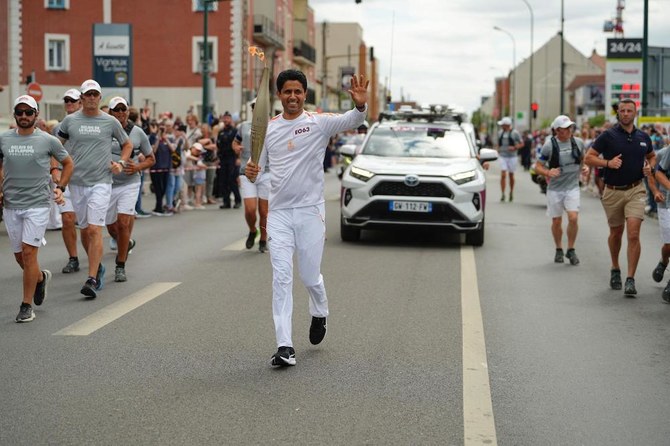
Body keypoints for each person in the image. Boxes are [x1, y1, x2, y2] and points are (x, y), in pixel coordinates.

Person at [245, 69, 369, 367]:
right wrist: (250, 171)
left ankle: (320, 311)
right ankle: (284, 345)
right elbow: (255, 167)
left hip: (310, 212)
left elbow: (353, 120)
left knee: (310, 276)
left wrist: (361, 106)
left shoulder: (319, 123)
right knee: (282, 278)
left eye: (297, 91)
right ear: (279, 95)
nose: (292, 96)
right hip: (279, 215)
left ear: (304, 94)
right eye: (287, 91)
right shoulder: (267, 129)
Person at [0, 95, 74, 322]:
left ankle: (26, 305)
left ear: (36, 114)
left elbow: (68, 163)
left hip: (38, 204)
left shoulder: (47, 140)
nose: (24, 116)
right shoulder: (4, 139)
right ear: (15, 115)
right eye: (20, 112)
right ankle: (40, 278)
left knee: (29, 252)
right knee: (20, 257)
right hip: (11, 205)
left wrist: (60, 187)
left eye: (28, 112)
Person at [57, 79, 133, 299]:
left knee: (93, 229)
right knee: (84, 231)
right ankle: (96, 265)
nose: (91, 98)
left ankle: (91, 278)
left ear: (100, 98)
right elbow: (56, 145)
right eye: (87, 95)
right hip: (77, 183)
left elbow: (126, 144)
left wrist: (121, 162)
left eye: (94, 94)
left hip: (101, 182)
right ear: (81, 98)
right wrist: (55, 169)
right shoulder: (70, 121)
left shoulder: (110, 122)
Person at [584, 98, 661, 296]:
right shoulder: (607, 136)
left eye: (629, 110)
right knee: (616, 233)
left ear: (635, 113)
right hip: (612, 191)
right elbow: (589, 157)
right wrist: (608, 163)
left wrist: (650, 167)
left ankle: (630, 278)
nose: (626, 113)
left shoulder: (644, 136)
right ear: (618, 113)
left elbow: (652, 156)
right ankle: (615, 267)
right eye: (622, 111)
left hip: (636, 189)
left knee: (633, 233)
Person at [106, 97, 156, 282]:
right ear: (110, 112)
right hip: (107, 183)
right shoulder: (104, 130)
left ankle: (120, 266)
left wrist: (137, 167)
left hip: (129, 182)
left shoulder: (137, 132)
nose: (120, 113)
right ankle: (125, 243)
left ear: (128, 111)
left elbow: (151, 158)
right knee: (111, 228)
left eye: (123, 109)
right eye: (116, 110)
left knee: (123, 223)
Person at [534, 115, 586, 265]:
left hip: (572, 187)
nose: (568, 130)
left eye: (569, 127)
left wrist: (585, 168)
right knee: (556, 221)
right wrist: (548, 173)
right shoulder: (549, 145)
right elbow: (537, 166)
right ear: (557, 130)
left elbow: (583, 159)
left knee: (573, 218)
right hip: (555, 189)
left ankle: (571, 249)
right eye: (564, 128)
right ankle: (558, 248)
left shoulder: (578, 142)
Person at [52, 88, 83, 274]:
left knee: (89, 225)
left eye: (73, 100)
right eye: (67, 101)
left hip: (87, 178)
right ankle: (73, 258)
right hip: (66, 178)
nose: (69, 103)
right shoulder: (58, 128)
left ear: (81, 102)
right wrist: (54, 170)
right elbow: (52, 152)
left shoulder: (89, 124)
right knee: (67, 218)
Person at [236, 101, 270, 252]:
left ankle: (263, 239)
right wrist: (236, 147)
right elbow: (235, 143)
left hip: (267, 172)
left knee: (264, 212)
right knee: (250, 210)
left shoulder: (274, 126)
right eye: (255, 109)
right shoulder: (243, 126)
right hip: (246, 172)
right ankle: (252, 230)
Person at [652, 145, 670, 302]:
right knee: (669, 245)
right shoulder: (664, 153)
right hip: (666, 203)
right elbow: (654, 173)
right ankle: (664, 261)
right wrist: (655, 191)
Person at [216, 112, 241, 209]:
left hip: (232, 158)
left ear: (231, 119)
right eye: (224, 118)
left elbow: (238, 145)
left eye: (227, 118)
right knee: (224, 180)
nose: (226, 120)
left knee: (232, 180)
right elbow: (218, 146)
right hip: (223, 158)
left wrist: (238, 158)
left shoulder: (235, 131)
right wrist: (217, 158)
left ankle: (237, 200)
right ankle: (226, 202)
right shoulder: (221, 132)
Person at [496, 117, 523, 202]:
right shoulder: (500, 133)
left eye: (503, 125)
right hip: (503, 155)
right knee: (503, 174)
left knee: (511, 175)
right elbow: (498, 144)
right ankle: (503, 193)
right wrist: (497, 150)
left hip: (512, 156)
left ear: (507, 125)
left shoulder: (515, 133)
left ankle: (511, 192)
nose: (501, 126)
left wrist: (515, 147)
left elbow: (522, 143)